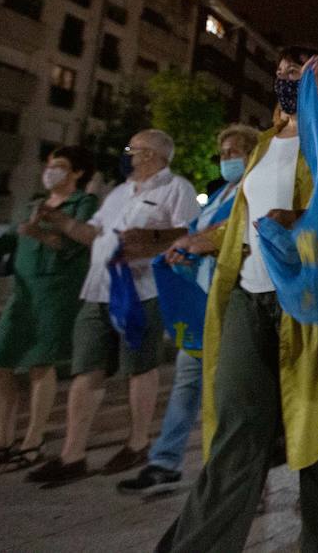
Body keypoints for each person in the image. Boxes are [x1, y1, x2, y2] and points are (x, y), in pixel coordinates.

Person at [157, 46, 318, 553]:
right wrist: (201, 240)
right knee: (235, 439)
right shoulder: (262, 147)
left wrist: (306, 221)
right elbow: (246, 220)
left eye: (301, 71)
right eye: (281, 73)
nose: (288, 79)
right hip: (250, 298)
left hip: (316, 306)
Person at [24, 129, 200, 485]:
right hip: (98, 290)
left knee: (139, 369)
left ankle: (137, 442)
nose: (128, 156)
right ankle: (72, 454)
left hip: (143, 291)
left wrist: (150, 242)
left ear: (151, 155)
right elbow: (93, 234)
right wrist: (62, 224)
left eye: (132, 150)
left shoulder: (176, 189)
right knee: (87, 369)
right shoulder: (119, 193)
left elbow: (190, 233)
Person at [116, 124, 258, 496]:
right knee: (186, 384)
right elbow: (193, 229)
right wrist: (181, 247)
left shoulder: (256, 191)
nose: (228, 158)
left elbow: (240, 232)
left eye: (236, 151)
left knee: (232, 395)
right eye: (224, 153)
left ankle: (240, 479)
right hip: (202, 304)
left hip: (236, 304)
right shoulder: (219, 194)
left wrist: (202, 242)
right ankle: (165, 462)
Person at [0, 146, 99, 476]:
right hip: (22, 293)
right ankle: (1, 442)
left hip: (58, 291)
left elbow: (78, 244)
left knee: (41, 364)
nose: (51, 171)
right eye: (50, 165)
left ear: (77, 173)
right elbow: (9, 241)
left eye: (61, 166)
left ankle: (32, 442)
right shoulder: (32, 206)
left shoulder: (83, 204)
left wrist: (40, 231)